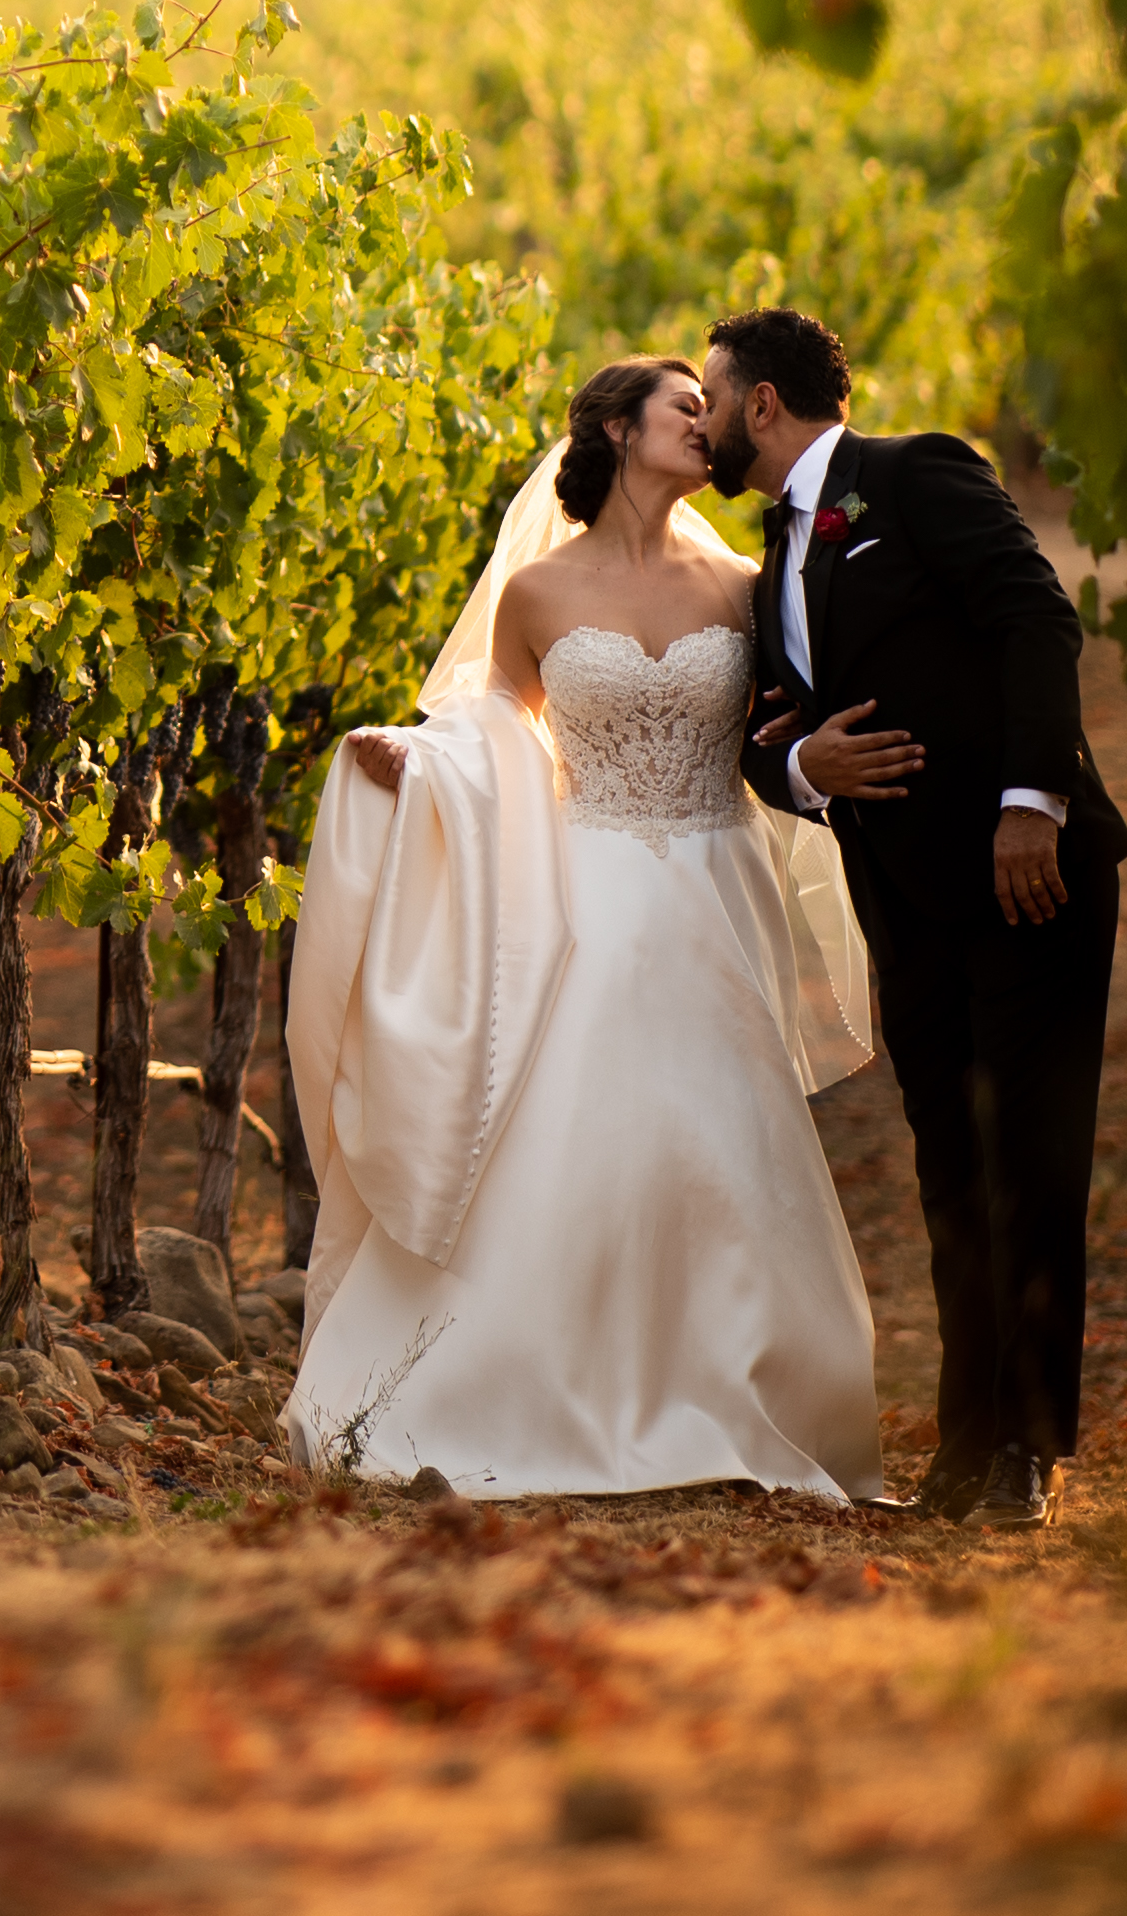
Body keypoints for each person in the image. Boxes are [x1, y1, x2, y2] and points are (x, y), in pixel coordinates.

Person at [279, 355, 886, 1502]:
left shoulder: (743, 588)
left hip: (716, 883)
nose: (704, 423)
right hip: (589, 886)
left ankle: (735, 1386)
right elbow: (493, 723)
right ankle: (524, 1383)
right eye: (681, 406)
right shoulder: (538, 595)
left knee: (718, 1140)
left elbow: (782, 726)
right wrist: (420, 759)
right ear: (616, 428)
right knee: (586, 1133)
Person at [702, 304, 1127, 1526]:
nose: (709, 416)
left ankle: (1031, 1454)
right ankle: (962, 1448)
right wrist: (800, 776)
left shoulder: (914, 472)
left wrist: (1030, 803)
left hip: (1026, 873)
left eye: (716, 393)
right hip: (905, 901)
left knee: (1032, 1164)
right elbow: (772, 735)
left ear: (764, 404)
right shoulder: (768, 560)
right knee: (951, 1171)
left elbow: (1035, 617)